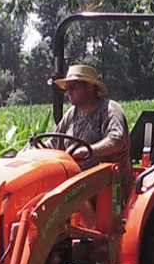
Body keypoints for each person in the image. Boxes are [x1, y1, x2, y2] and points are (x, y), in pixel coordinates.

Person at [52, 64, 132, 192]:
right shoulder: (72, 113)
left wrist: (87, 151)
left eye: (73, 87)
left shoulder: (110, 110)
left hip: (108, 186)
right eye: (66, 89)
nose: (68, 92)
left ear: (89, 87)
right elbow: (53, 142)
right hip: (75, 184)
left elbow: (116, 141)